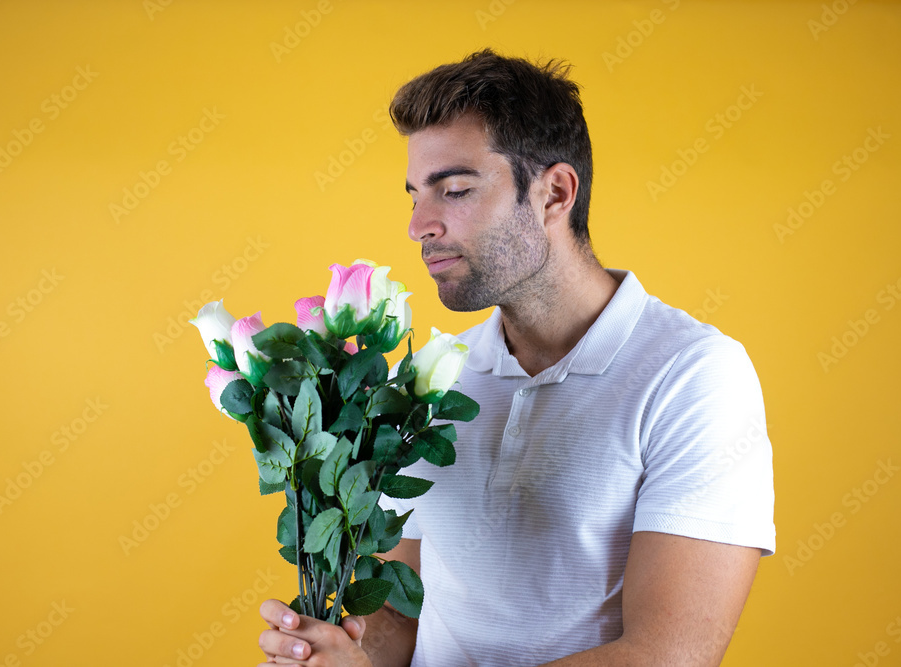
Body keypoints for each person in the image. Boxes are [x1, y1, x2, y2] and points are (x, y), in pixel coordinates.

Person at [258, 48, 775, 666]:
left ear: (555, 193)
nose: (419, 224)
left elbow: (664, 657)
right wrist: (338, 656)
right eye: (415, 195)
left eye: (454, 189)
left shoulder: (693, 375)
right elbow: (400, 611)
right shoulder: (431, 377)